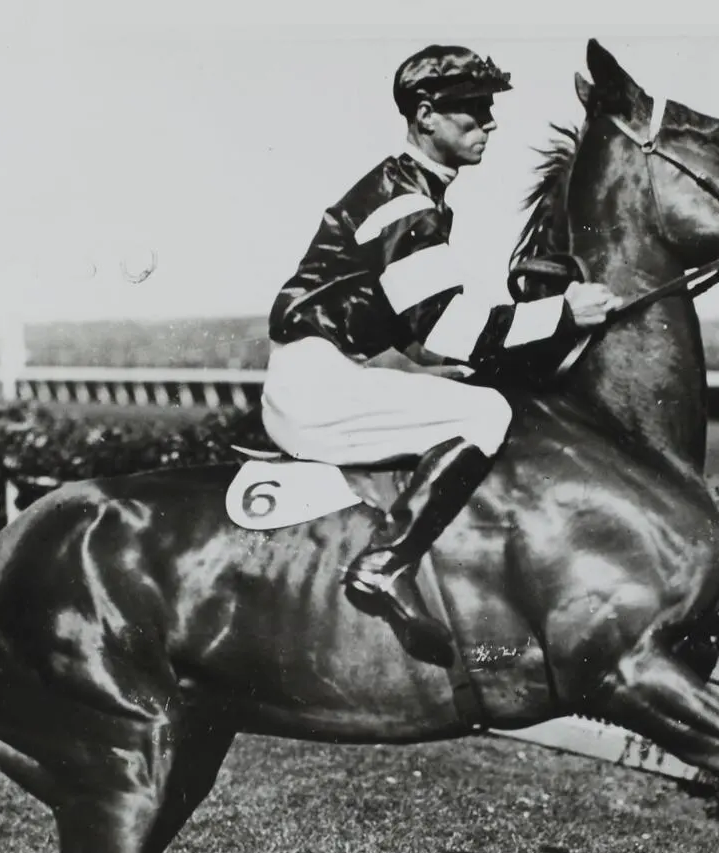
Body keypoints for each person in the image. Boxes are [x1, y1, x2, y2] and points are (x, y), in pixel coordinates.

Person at [262, 44, 621, 668]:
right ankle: (382, 565)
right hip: (314, 385)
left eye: (487, 111)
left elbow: (421, 341)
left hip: (322, 374)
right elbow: (449, 328)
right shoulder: (403, 201)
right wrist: (566, 313)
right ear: (425, 115)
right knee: (485, 416)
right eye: (472, 113)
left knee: (478, 397)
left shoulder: (414, 191)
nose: (489, 124)